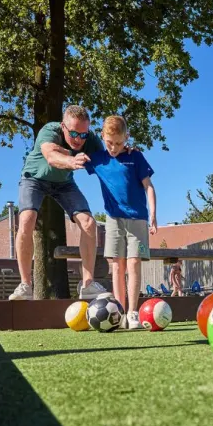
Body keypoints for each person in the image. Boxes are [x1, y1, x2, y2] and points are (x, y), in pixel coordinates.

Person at [9, 105, 107, 301]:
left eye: (83, 134)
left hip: (64, 184)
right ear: (63, 127)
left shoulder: (90, 140)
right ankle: (25, 285)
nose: (78, 139)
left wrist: (125, 151)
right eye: (73, 134)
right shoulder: (49, 131)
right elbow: (51, 156)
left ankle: (87, 284)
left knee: (89, 223)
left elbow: (110, 159)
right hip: (34, 179)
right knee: (27, 219)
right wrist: (71, 162)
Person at [84, 115, 158, 328]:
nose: (114, 147)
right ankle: (120, 312)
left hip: (138, 219)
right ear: (103, 137)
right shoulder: (98, 159)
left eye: (119, 143)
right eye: (110, 142)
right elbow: (75, 157)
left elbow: (149, 186)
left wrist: (153, 215)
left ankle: (133, 312)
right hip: (113, 220)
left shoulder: (135, 157)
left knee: (133, 263)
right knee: (117, 265)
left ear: (127, 137)